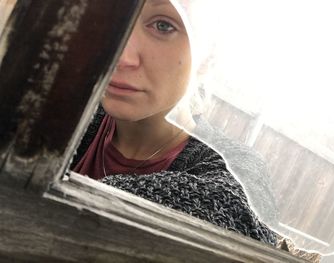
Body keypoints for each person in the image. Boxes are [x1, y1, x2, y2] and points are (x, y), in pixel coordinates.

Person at [71, 0, 277, 246]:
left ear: (208, 57)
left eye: (163, 25)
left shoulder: (236, 167)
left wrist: (70, 192)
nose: (122, 56)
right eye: (114, 16)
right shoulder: (70, 111)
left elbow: (243, 218)